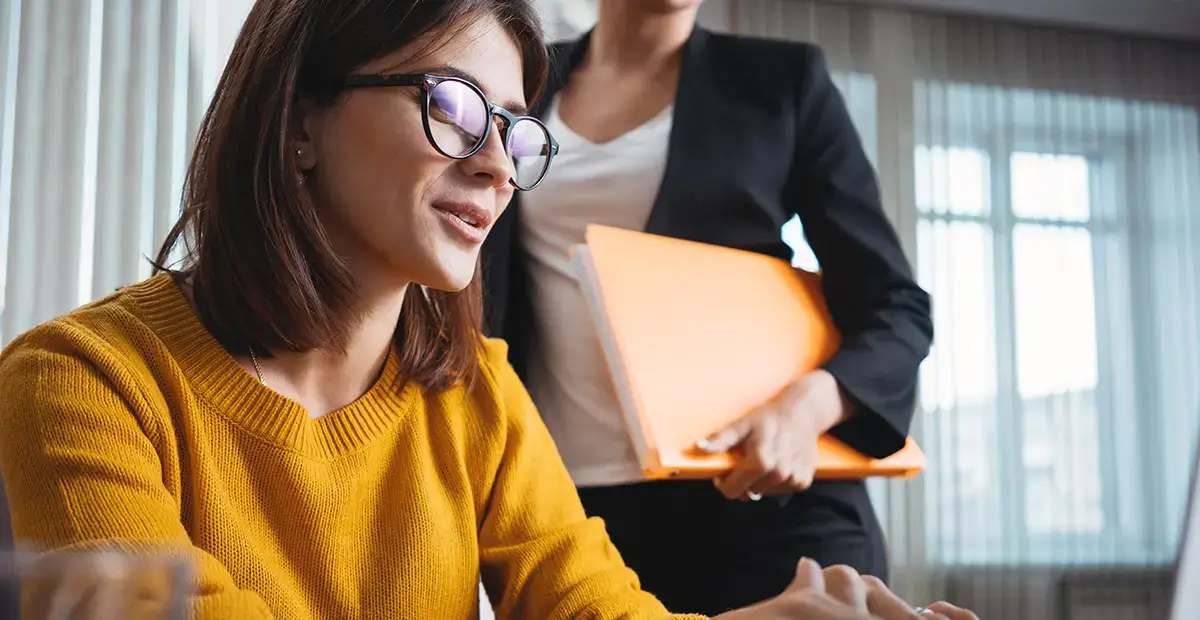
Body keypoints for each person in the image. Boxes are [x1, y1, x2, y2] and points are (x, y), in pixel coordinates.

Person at [0, 0, 959, 619]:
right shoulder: (81, 382)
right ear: (297, 122)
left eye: (514, 130)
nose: (501, 165)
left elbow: (593, 610)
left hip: (756, 499)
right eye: (456, 109)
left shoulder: (476, 397)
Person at [481, 0, 934, 615]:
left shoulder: (780, 81)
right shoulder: (522, 78)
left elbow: (894, 306)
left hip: (765, 496)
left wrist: (807, 409)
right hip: (581, 508)